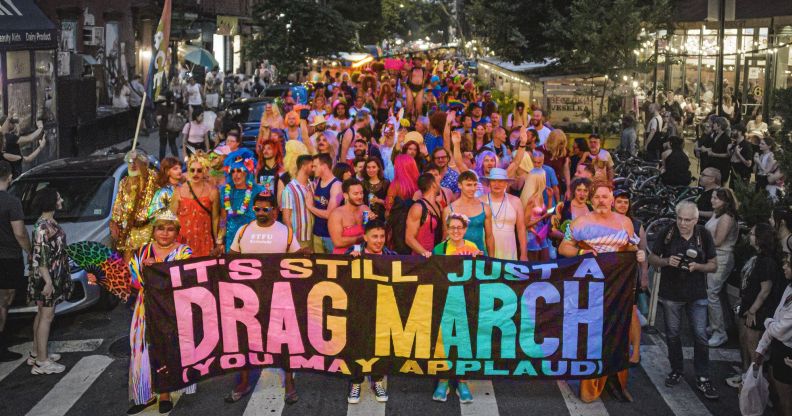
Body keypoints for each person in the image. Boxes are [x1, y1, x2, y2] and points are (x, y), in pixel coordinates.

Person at [558, 182, 645, 402]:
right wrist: (581, 250)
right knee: (592, 335)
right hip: (591, 288)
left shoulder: (625, 223)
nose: (601, 201)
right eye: (596, 197)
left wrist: (639, 254)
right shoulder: (581, 222)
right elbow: (563, 248)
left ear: (612, 199)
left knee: (618, 332)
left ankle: (616, 382)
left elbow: (631, 248)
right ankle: (590, 385)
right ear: (591, 199)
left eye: (605, 197)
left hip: (619, 288)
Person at [226, 192, 303, 404]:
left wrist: (306, 255)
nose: (260, 213)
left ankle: (289, 382)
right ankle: (243, 381)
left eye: (265, 209)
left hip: (278, 297)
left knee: (285, 340)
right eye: (257, 209)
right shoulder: (243, 231)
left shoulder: (285, 232)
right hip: (247, 297)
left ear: (275, 211)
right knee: (244, 341)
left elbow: (296, 260)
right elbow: (231, 258)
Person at [648, 201, 719, 400]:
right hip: (671, 294)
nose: (683, 223)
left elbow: (714, 266)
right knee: (672, 335)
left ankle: (703, 376)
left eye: (687, 220)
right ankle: (676, 370)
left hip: (697, 294)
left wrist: (698, 266)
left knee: (700, 336)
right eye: (679, 218)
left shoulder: (703, 234)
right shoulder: (667, 232)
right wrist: (666, 261)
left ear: (696, 220)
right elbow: (652, 259)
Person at [126, 212, 195, 414]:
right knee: (141, 349)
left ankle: (164, 393)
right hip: (145, 308)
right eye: (160, 228)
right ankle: (144, 394)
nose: (165, 233)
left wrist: (159, 267)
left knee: (167, 348)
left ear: (177, 232)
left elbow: (185, 278)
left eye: (170, 229)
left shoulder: (184, 251)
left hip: (172, 309)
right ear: (153, 230)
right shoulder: (141, 252)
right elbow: (132, 280)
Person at [724, 224, 782, 388]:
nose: (749, 236)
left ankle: (754, 385)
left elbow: (765, 290)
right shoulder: (757, 257)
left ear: (760, 238)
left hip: (756, 311)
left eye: (752, 233)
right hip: (747, 305)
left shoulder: (767, 262)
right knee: (744, 342)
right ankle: (745, 377)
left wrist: (752, 310)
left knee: (752, 347)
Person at [432, 212, 482, 403]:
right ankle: (443, 380)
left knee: (464, 341)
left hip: (466, 301)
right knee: (443, 341)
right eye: (452, 227)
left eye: (459, 228)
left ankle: (462, 381)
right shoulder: (440, 248)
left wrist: (479, 259)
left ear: (465, 229)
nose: (455, 231)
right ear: (447, 229)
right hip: (445, 300)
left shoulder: (472, 247)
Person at [345, 219, 392, 404]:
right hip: (358, 311)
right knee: (357, 347)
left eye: (382, 236)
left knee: (380, 347)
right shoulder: (354, 254)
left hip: (383, 310)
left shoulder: (392, 256)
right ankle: (356, 382)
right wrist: (350, 260)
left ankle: (377, 381)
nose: (379, 240)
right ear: (365, 237)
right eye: (374, 236)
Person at [27, 188, 72, 375]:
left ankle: (38, 352)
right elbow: (41, 257)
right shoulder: (43, 227)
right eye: (58, 197)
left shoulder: (48, 222)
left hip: (52, 275)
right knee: (47, 316)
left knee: (41, 314)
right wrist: (48, 282)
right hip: (47, 278)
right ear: (51, 202)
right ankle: (41, 362)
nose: (61, 200)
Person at [612, 189, 650, 366]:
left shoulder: (636, 224)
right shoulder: (606, 221)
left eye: (625, 202)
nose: (622, 205)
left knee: (632, 311)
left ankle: (635, 352)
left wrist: (644, 275)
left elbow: (643, 251)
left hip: (630, 275)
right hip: (611, 274)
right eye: (619, 201)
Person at [0, 161, 31, 361]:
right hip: (8, 258)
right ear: (9, 176)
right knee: (4, 302)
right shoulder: (11, 202)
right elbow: (20, 233)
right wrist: (30, 251)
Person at [754, 254, 792, 416]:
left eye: (789, 264)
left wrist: (767, 322)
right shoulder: (789, 288)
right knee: (779, 397)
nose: (784, 266)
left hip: (787, 352)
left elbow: (779, 329)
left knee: (786, 401)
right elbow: (778, 319)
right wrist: (761, 347)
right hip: (780, 348)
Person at [704, 188, 739, 348]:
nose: (712, 201)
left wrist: (700, 236)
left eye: (716, 199)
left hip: (722, 258)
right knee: (716, 293)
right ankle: (717, 324)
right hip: (714, 256)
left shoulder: (726, 217)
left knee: (712, 293)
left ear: (725, 202)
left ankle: (720, 332)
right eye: (712, 197)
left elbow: (718, 241)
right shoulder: (717, 213)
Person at [110, 150, 158, 260]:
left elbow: (148, 176)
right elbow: (118, 206)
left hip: (147, 234)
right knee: (129, 270)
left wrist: (138, 160)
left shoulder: (151, 179)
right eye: (130, 162)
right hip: (128, 234)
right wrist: (114, 224)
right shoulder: (124, 182)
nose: (132, 165)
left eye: (136, 162)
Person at [171, 153, 220, 257]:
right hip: (183, 243)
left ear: (204, 171)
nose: (195, 173)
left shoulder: (213, 191)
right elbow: (172, 218)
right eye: (192, 170)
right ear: (188, 171)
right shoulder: (178, 191)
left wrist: (216, 241)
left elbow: (215, 219)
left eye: (199, 170)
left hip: (205, 242)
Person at [219, 149, 265, 251]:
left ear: (246, 172)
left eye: (239, 171)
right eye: (233, 171)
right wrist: (220, 240)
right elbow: (223, 219)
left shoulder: (258, 190)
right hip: (231, 238)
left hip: (253, 237)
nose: (236, 175)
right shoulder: (225, 191)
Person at [444, 171, 494, 256]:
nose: (473, 189)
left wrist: (492, 260)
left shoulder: (485, 207)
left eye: (475, 185)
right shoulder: (449, 210)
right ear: (460, 185)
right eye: (469, 185)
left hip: (480, 256)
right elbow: (446, 237)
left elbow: (489, 237)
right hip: (457, 258)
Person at [482, 168, 526, 261]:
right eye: (494, 181)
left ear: (506, 183)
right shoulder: (480, 200)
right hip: (486, 248)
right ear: (489, 183)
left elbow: (521, 228)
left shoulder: (516, 201)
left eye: (501, 181)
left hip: (509, 248)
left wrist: (524, 254)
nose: (497, 184)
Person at [328, 178, 375, 254]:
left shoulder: (365, 209)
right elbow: (338, 242)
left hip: (364, 256)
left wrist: (373, 222)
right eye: (355, 194)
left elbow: (373, 233)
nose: (360, 196)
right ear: (345, 196)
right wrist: (363, 238)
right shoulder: (336, 214)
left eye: (361, 193)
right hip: (344, 258)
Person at [307, 154, 342, 253]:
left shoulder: (336, 185)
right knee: (318, 267)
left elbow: (329, 214)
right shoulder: (317, 182)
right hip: (317, 234)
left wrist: (310, 207)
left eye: (315, 166)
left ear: (325, 166)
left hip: (330, 236)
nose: (313, 169)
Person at [405, 173, 444, 257]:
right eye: (438, 183)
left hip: (436, 259)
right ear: (433, 184)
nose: (440, 187)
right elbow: (409, 238)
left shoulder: (438, 205)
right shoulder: (418, 208)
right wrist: (425, 253)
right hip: (420, 260)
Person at [281, 154, 314, 251]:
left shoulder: (313, 185)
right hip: (299, 238)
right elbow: (286, 218)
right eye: (312, 166)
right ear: (303, 166)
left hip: (313, 236)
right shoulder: (289, 189)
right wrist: (292, 241)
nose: (314, 169)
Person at [147, 157, 182, 221]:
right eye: (175, 169)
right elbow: (154, 216)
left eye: (180, 168)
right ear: (167, 172)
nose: (180, 171)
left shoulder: (184, 187)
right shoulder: (163, 192)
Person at [701, 117, 731, 185]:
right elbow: (713, 147)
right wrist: (706, 149)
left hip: (721, 166)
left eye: (714, 124)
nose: (713, 125)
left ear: (719, 126)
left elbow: (727, 154)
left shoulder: (726, 139)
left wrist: (714, 154)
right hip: (713, 164)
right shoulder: (715, 135)